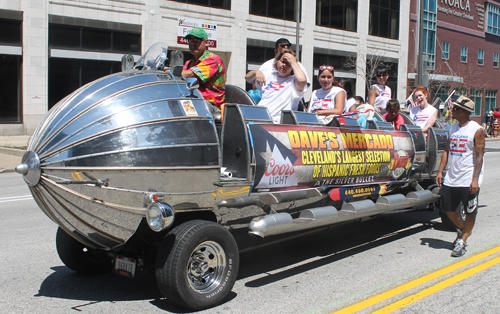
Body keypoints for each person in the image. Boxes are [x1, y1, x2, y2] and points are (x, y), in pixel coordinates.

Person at [436, 95, 485, 257]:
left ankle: (462, 241)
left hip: (468, 178)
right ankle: (463, 230)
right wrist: (440, 171)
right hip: (451, 177)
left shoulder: (476, 130)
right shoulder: (453, 128)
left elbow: (479, 156)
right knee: (448, 208)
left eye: (455, 109)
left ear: (463, 112)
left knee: (470, 211)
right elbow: (446, 150)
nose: (452, 111)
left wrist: (475, 179)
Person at [245, 49, 307, 124]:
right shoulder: (269, 74)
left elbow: (302, 81)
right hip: (259, 118)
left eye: (288, 63)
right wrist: (256, 72)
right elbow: (247, 78)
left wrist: (294, 62)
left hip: (279, 122)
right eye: (283, 61)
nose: (284, 65)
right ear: (277, 62)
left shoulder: (294, 81)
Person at [182, 27, 226, 111]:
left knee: (188, 107)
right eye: (190, 40)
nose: (193, 43)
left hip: (211, 105)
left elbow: (186, 75)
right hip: (194, 99)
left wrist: (170, 72)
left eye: (197, 40)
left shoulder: (213, 60)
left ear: (206, 43)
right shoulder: (189, 63)